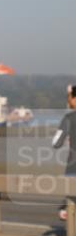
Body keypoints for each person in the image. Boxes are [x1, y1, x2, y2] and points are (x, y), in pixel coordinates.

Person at [51, 84, 76, 221]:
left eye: (69, 97)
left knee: (66, 208)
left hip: (73, 169)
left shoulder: (69, 118)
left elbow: (56, 143)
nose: (68, 101)